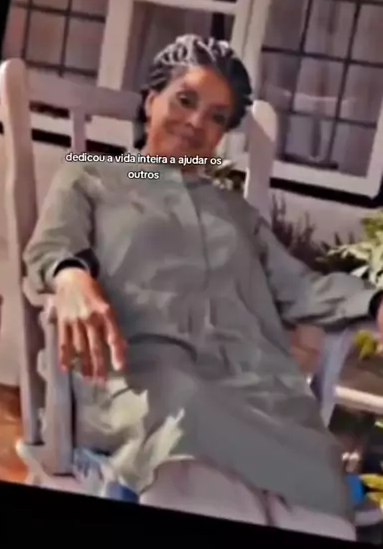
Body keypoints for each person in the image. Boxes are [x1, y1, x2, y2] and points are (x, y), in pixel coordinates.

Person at [24, 34, 383, 540]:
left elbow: (301, 287)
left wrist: (375, 301)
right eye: (185, 100)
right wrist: (70, 275)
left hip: (255, 387)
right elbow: (52, 246)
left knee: (313, 486)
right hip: (147, 376)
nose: (196, 122)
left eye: (217, 117)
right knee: (189, 424)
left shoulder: (235, 211)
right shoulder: (94, 175)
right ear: (151, 100)